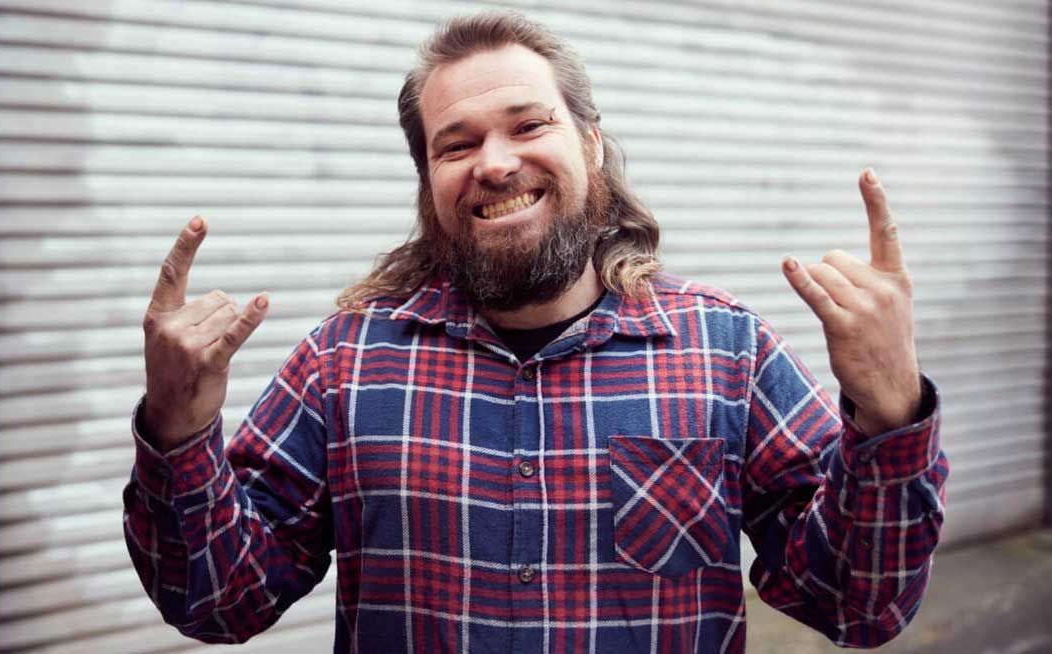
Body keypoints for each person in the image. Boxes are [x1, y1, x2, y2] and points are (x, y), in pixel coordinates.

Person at [123, 10, 947, 653]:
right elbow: (218, 601)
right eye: (456, 143)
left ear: (590, 143)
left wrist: (888, 413)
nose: (493, 162)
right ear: (428, 180)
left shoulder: (724, 353)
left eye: (527, 125)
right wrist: (179, 426)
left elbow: (857, 604)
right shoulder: (345, 364)